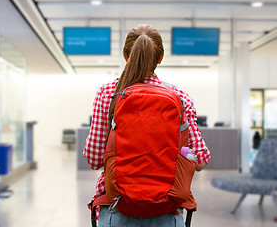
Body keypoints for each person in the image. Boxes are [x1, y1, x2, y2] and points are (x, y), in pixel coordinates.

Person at [84, 24, 211, 227]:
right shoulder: (180, 96)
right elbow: (200, 160)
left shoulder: (108, 93)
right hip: (167, 208)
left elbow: (94, 158)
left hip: (117, 206)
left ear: (126, 55)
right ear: (160, 58)